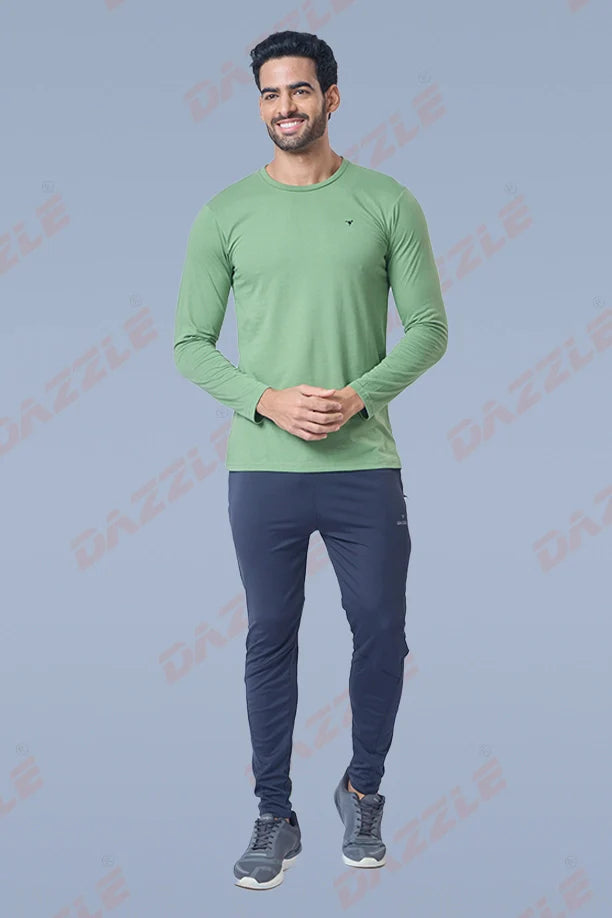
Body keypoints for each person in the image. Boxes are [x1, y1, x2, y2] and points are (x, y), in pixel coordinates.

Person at [173, 30, 448, 891]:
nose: (284, 107)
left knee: (382, 631)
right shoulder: (225, 213)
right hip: (263, 468)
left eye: (298, 91)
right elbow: (189, 344)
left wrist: (361, 394)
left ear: (331, 96)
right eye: (269, 94)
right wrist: (266, 399)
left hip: (364, 464)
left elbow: (430, 328)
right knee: (269, 636)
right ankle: (274, 814)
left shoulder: (388, 201)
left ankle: (362, 790)